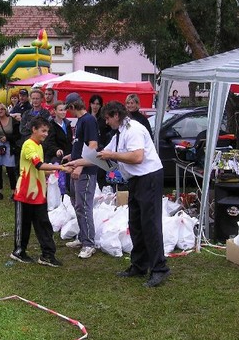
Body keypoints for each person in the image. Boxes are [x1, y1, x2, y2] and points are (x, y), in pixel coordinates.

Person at [98, 100, 170, 287]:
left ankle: (159, 269)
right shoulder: (119, 133)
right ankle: (139, 266)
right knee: (135, 223)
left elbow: (137, 157)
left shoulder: (134, 129)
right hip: (136, 180)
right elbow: (103, 153)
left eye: (108, 118)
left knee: (150, 224)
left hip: (149, 178)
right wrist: (76, 163)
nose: (107, 122)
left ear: (116, 115)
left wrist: (112, 156)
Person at [10, 116, 71, 266]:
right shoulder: (29, 145)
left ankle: (47, 255)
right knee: (23, 225)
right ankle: (18, 252)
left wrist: (52, 172)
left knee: (44, 224)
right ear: (34, 129)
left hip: (38, 194)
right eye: (43, 131)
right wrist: (60, 167)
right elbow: (38, 165)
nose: (45, 134)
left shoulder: (39, 146)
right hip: (24, 193)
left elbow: (39, 169)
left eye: (47, 131)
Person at [63, 92, 99, 259]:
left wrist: (80, 166)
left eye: (67, 108)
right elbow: (82, 145)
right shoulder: (80, 121)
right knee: (78, 205)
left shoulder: (89, 120)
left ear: (72, 106)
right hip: (77, 168)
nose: (67, 111)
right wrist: (72, 156)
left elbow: (93, 146)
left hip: (85, 172)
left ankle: (89, 243)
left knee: (84, 206)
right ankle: (83, 236)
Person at [0, 103, 19, 199]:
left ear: (5, 110)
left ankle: (13, 192)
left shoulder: (13, 121)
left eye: (2, 109)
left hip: (9, 146)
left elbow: (17, 135)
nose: (1, 111)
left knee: (10, 170)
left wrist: (7, 138)